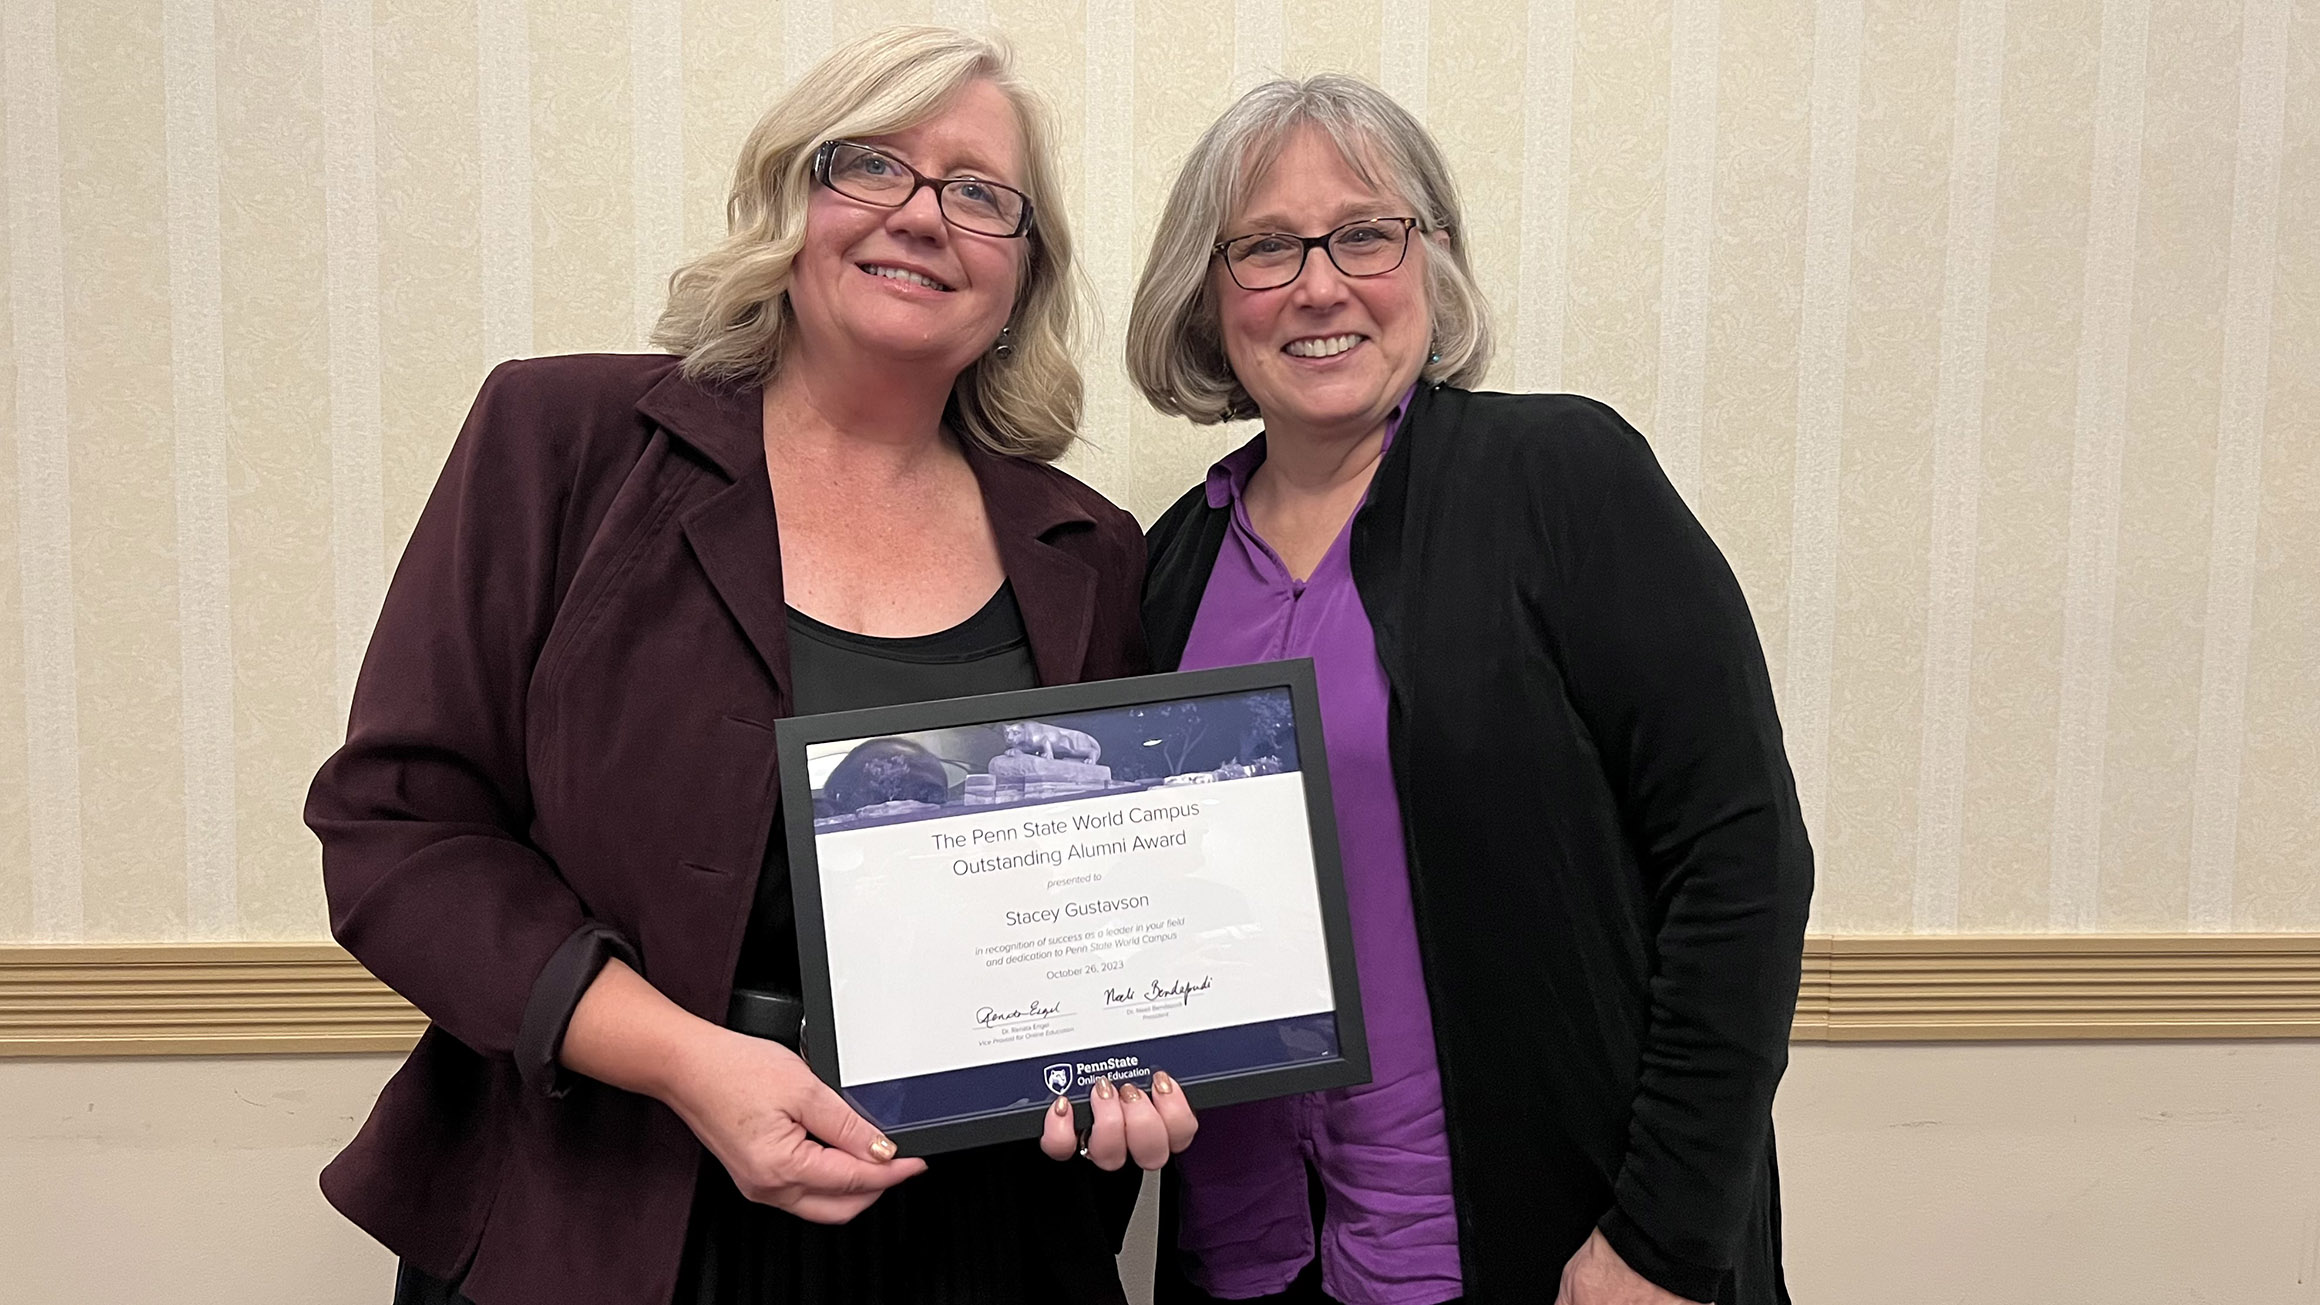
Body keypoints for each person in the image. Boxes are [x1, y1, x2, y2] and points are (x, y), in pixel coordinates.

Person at [306, 27, 1192, 1305]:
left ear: (1022, 275)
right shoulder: (565, 444)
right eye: (870, 166)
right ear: (792, 201)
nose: (923, 215)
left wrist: (1130, 1058)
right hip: (606, 1209)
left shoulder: (1088, 551)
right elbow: (397, 832)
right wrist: (685, 1062)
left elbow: (1099, 902)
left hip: (969, 1232)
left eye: (980, 194)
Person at [1126, 75, 1812, 1305]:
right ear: (1207, 290)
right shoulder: (1165, 567)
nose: (1319, 284)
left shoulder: (1558, 481)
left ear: (1432, 262)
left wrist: (1659, 1243)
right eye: (1266, 247)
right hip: (1251, 1260)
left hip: (1552, 1257)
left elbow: (1741, 862)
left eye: (1366, 233)